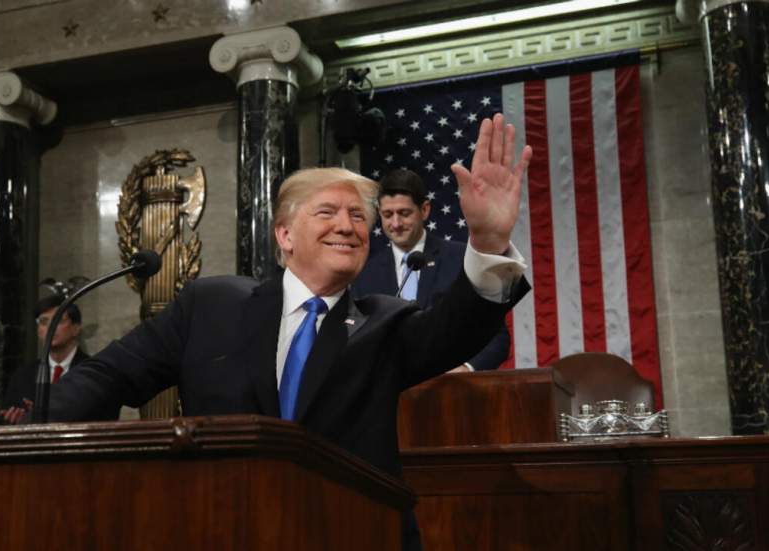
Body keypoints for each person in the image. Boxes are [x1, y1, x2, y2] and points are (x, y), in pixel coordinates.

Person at [46, 114, 533, 550]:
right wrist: (37, 447)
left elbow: (457, 329)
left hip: (351, 533)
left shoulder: (383, 323)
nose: (347, 225)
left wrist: (488, 240)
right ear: (284, 235)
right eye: (328, 212)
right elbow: (106, 377)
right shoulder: (210, 307)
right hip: (223, 530)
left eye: (359, 217)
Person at [352, 168, 514, 372]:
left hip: (456, 391)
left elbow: (497, 337)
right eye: (387, 215)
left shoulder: (462, 259)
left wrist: (466, 369)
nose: (396, 223)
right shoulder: (365, 272)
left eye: (404, 213)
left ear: (425, 210)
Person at [0, 294, 119, 423]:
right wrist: (19, 419)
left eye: (58, 321)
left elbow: (107, 418)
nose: (51, 327)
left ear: (76, 328)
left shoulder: (95, 372)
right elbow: (5, 420)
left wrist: (52, 413)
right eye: (43, 322)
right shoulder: (22, 376)